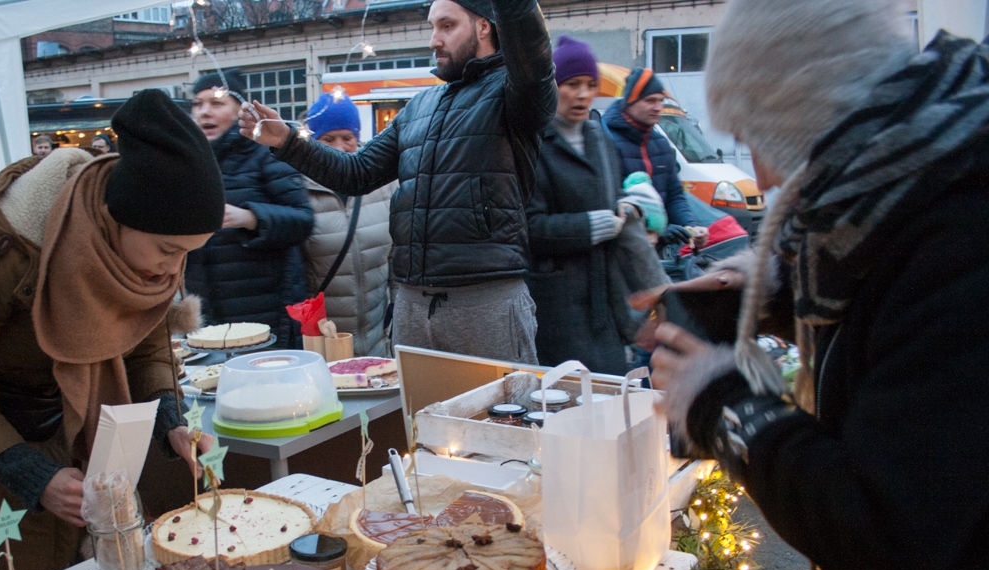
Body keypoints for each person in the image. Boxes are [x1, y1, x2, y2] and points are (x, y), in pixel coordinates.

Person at [645, 2, 989, 570]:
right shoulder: (906, 188)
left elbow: (884, 521)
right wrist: (766, 296)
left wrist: (722, 404)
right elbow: (881, 317)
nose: (760, 176)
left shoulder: (961, 239)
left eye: (760, 142)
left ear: (815, 118)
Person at [0, 90, 223, 570]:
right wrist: (26, 469)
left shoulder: (144, 252)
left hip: (91, 457)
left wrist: (171, 416)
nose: (172, 268)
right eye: (167, 250)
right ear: (118, 219)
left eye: (186, 255)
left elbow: (144, 341)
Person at [240, 0, 556, 364]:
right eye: (432, 27)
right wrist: (287, 141)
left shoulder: (514, 94)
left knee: (498, 421)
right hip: (412, 308)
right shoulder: (420, 106)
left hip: (485, 303)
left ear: (485, 26)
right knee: (414, 421)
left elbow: (533, 59)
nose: (434, 39)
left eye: (447, 25)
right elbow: (356, 173)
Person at [525, 36, 668, 373]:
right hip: (557, 308)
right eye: (572, 84)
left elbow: (611, 199)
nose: (583, 94)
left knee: (609, 396)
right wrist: (598, 224)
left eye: (591, 84)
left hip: (604, 300)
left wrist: (627, 207)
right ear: (552, 86)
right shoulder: (534, 143)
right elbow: (529, 227)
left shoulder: (598, 137)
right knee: (569, 399)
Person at [184, 70, 313, 345]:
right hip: (207, 313)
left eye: (216, 103)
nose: (205, 112)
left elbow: (303, 220)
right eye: (198, 103)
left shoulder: (264, 152)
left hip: (266, 310)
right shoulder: (186, 161)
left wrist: (251, 218)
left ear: (239, 110)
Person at [299, 92, 395, 358]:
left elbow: (398, 255)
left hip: (378, 338)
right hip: (323, 342)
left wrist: (397, 312)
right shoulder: (297, 188)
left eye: (347, 138)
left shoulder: (382, 183)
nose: (339, 147)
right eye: (328, 139)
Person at [603, 68, 705, 250]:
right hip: (618, 250)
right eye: (650, 100)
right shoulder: (605, 139)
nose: (658, 107)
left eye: (661, 100)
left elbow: (674, 195)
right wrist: (657, 229)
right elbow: (610, 201)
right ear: (630, 102)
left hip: (654, 250)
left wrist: (691, 227)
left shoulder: (660, 143)